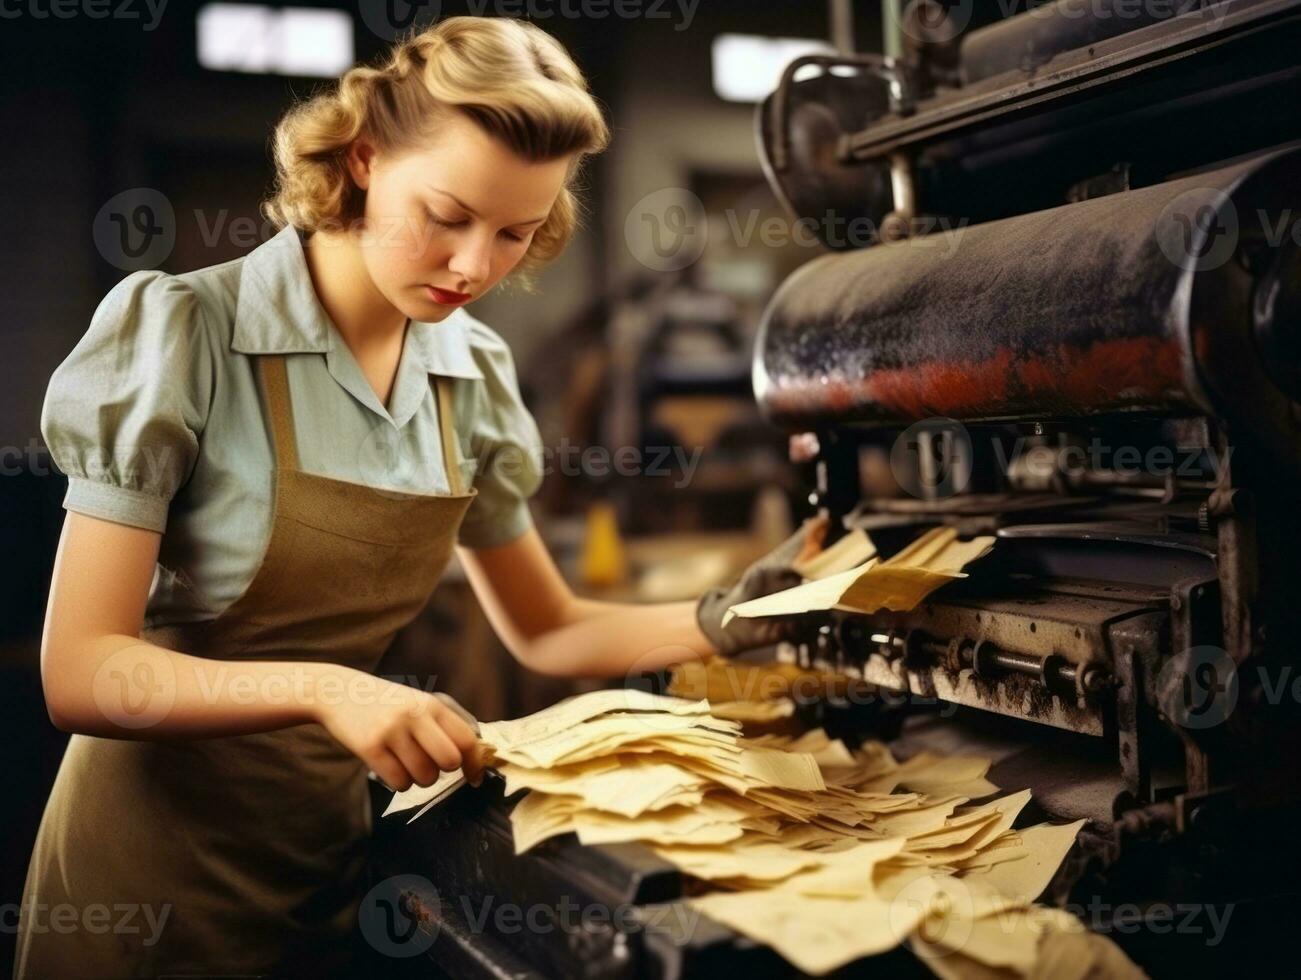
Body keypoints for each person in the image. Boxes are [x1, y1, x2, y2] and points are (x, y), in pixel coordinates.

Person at [15, 16, 824, 978]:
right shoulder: (187, 332)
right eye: (446, 215)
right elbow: (79, 673)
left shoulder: (470, 373)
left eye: (516, 234)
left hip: (331, 857)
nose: (474, 266)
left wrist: (730, 617)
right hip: (145, 885)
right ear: (362, 159)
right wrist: (325, 687)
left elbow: (549, 630)